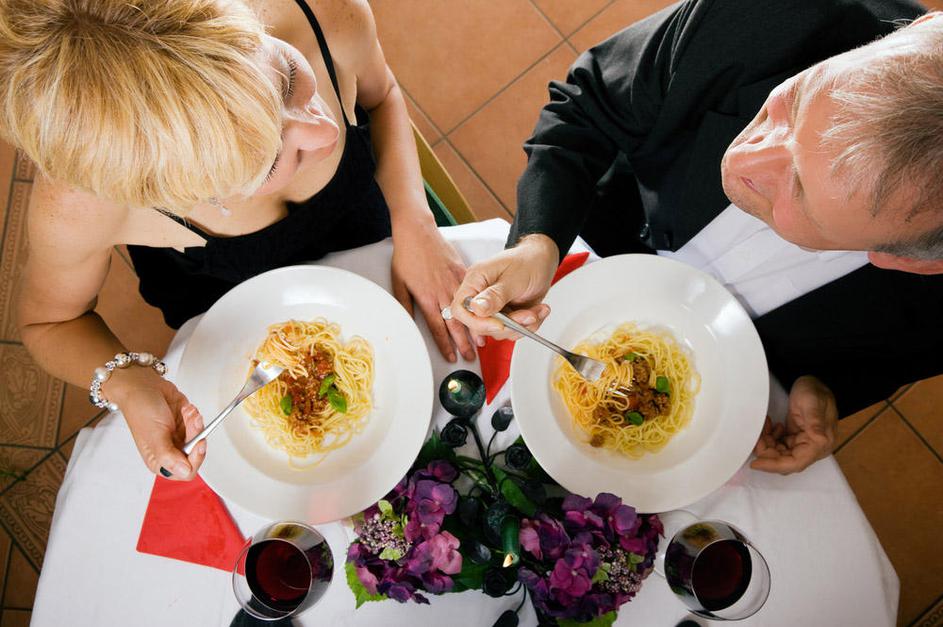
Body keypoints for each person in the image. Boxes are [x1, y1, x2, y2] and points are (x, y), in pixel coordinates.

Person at [450, 0, 943, 475]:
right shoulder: (784, 12)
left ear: (914, 262)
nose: (740, 157)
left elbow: (886, 361)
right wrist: (538, 240)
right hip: (600, 238)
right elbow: (589, 103)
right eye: (794, 105)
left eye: (800, 192)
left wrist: (825, 387)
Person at [0, 0, 476, 480]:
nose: (326, 131)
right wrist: (127, 382)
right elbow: (50, 323)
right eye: (269, 161)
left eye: (287, 77)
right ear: (177, 194)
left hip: (373, 226)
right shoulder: (80, 207)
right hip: (226, 309)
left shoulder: (322, 10)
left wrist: (413, 219)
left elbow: (381, 94)